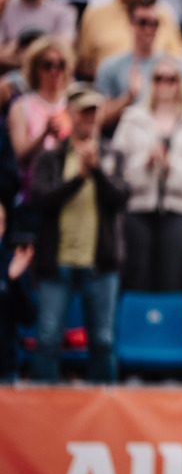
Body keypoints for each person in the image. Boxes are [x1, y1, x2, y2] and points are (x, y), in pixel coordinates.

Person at [30, 85, 130, 382]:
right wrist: (79, 178)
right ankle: (43, 402)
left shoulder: (112, 155)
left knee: (102, 341)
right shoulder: (51, 157)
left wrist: (96, 171)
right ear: (70, 114)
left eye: (94, 111)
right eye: (84, 111)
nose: (90, 117)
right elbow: (42, 199)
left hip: (100, 262)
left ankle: (105, 404)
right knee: (48, 339)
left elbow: (120, 198)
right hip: (57, 260)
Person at [111, 58, 182, 292]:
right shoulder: (132, 118)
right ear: (151, 82)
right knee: (137, 278)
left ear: (180, 83)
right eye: (159, 78)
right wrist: (145, 163)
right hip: (138, 208)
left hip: (179, 210)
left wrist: (170, 166)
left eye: (171, 79)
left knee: (172, 279)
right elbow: (115, 169)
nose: (165, 84)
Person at [95, 0, 182, 132]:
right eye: (143, 22)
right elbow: (100, 120)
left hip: (166, 134)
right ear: (131, 23)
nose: (149, 29)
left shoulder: (174, 67)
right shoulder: (109, 67)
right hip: (125, 138)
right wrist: (129, 97)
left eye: (154, 23)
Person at [7, 37, 73, 225]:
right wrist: (45, 134)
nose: (54, 71)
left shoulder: (74, 102)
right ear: (35, 68)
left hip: (69, 194)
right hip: (33, 197)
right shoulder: (22, 106)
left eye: (60, 64)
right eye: (47, 65)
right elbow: (21, 156)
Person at [0, 202, 36, 382]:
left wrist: (13, 281)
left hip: (5, 370)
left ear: (4, 227)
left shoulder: (13, 263)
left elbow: (28, 318)